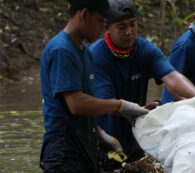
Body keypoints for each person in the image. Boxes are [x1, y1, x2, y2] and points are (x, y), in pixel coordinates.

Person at [90, 0, 195, 165]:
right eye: (121, 27)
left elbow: (171, 77)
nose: (129, 32)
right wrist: (139, 111)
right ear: (107, 28)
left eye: (133, 25)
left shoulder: (145, 49)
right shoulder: (96, 56)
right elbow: (107, 103)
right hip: (105, 144)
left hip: (136, 143)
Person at [39, 0, 149, 172]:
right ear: (84, 14)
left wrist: (99, 133)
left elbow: (89, 103)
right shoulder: (61, 50)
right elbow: (76, 104)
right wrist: (120, 106)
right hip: (63, 154)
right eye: (100, 19)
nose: (103, 26)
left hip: (85, 151)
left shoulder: (85, 52)